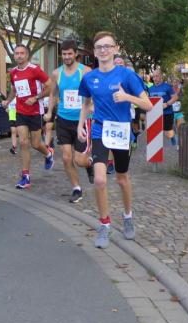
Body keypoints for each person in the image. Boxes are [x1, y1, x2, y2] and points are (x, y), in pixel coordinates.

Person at [77, 31, 153, 249]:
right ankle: (104, 225)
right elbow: (86, 104)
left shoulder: (127, 76)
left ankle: (128, 216)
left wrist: (127, 97)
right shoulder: (89, 78)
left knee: (122, 178)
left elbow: (148, 105)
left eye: (107, 46)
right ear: (94, 51)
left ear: (115, 49)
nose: (103, 50)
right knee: (100, 180)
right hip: (100, 131)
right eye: (99, 47)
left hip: (121, 132)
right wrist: (81, 125)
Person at [1, 44, 54, 189]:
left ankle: (48, 153)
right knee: (23, 142)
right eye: (16, 53)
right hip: (21, 111)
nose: (18, 56)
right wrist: (8, 101)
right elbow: (14, 90)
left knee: (35, 144)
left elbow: (50, 86)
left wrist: (36, 97)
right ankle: (26, 176)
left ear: (27, 55)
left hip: (35, 111)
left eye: (21, 53)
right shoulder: (13, 72)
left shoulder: (35, 70)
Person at [45, 40, 89, 203]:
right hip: (63, 119)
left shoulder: (85, 71)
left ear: (76, 53)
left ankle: (89, 164)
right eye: (64, 54)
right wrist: (49, 112)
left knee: (80, 160)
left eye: (70, 53)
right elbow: (53, 93)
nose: (67, 57)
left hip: (81, 121)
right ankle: (76, 188)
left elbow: (93, 93)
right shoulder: (57, 73)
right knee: (66, 157)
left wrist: (93, 107)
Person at [147, 68, 179, 145]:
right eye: (153, 77)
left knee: (168, 134)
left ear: (161, 76)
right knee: (155, 134)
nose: (155, 78)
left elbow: (175, 97)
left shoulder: (167, 87)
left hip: (167, 113)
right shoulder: (150, 89)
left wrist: (167, 104)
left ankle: (173, 136)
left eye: (157, 76)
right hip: (155, 114)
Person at [172, 77, 185, 148]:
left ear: (179, 83)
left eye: (177, 82)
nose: (175, 84)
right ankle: (175, 141)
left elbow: (184, 100)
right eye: (174, 82)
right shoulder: (170, 91)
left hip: (180, 112)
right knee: (173, 130)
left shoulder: (181, 91)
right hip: (172, 113)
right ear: (172, 83)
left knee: (179, 129)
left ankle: (178, 144)